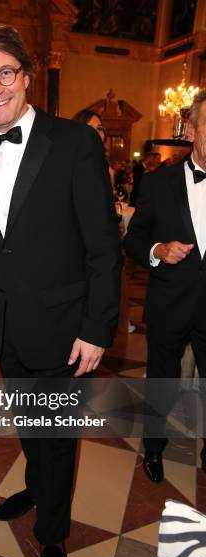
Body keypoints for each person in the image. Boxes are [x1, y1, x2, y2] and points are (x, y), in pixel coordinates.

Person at [0, 23, 121, 557]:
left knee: (55, 441)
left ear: (27, 76)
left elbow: (104, 247)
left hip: (64, 332)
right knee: (32, 430)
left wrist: (97, 328)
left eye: (5, 72)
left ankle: (52, 538)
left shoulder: (75, 142)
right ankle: (36, 487)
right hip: (4, 330)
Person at [124, 89, 206, 483]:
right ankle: (153, 448)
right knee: (162, 381)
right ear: (191, 130)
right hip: (169, 302)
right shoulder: (159, 182)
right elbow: (134, 239)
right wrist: (158, 248)